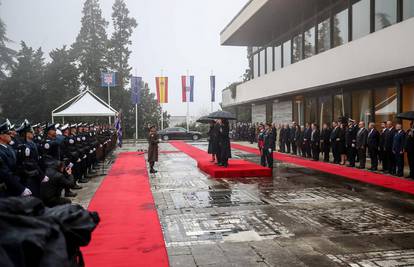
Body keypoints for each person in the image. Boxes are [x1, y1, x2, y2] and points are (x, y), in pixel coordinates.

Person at [0, 120, 30, 197]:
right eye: (8, 133)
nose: (10, 135)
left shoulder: (9, 147)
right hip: (6, 188)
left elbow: (16, 164)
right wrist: (21, 189)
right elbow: (5, 173)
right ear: (1, 136)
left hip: (15, 182)